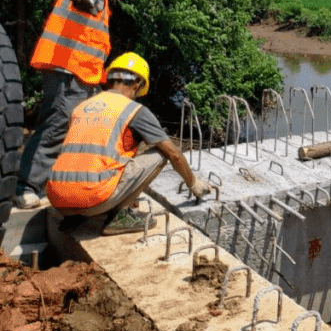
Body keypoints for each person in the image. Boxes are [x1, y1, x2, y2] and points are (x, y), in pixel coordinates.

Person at [45, 52, 212, 235]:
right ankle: (119, 217)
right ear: (138, 84)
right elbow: (174, 154)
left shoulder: (81, 108)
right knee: (161, 154)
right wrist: (193, 184)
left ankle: (75, 217)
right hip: (93, 199)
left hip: (58, 200)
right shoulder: (134, 110)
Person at [16, 0, 135, 209]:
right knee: (55, 126)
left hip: (78, 76)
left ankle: (47, 182)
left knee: (70, 129)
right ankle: (26, 187)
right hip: (67, 72)